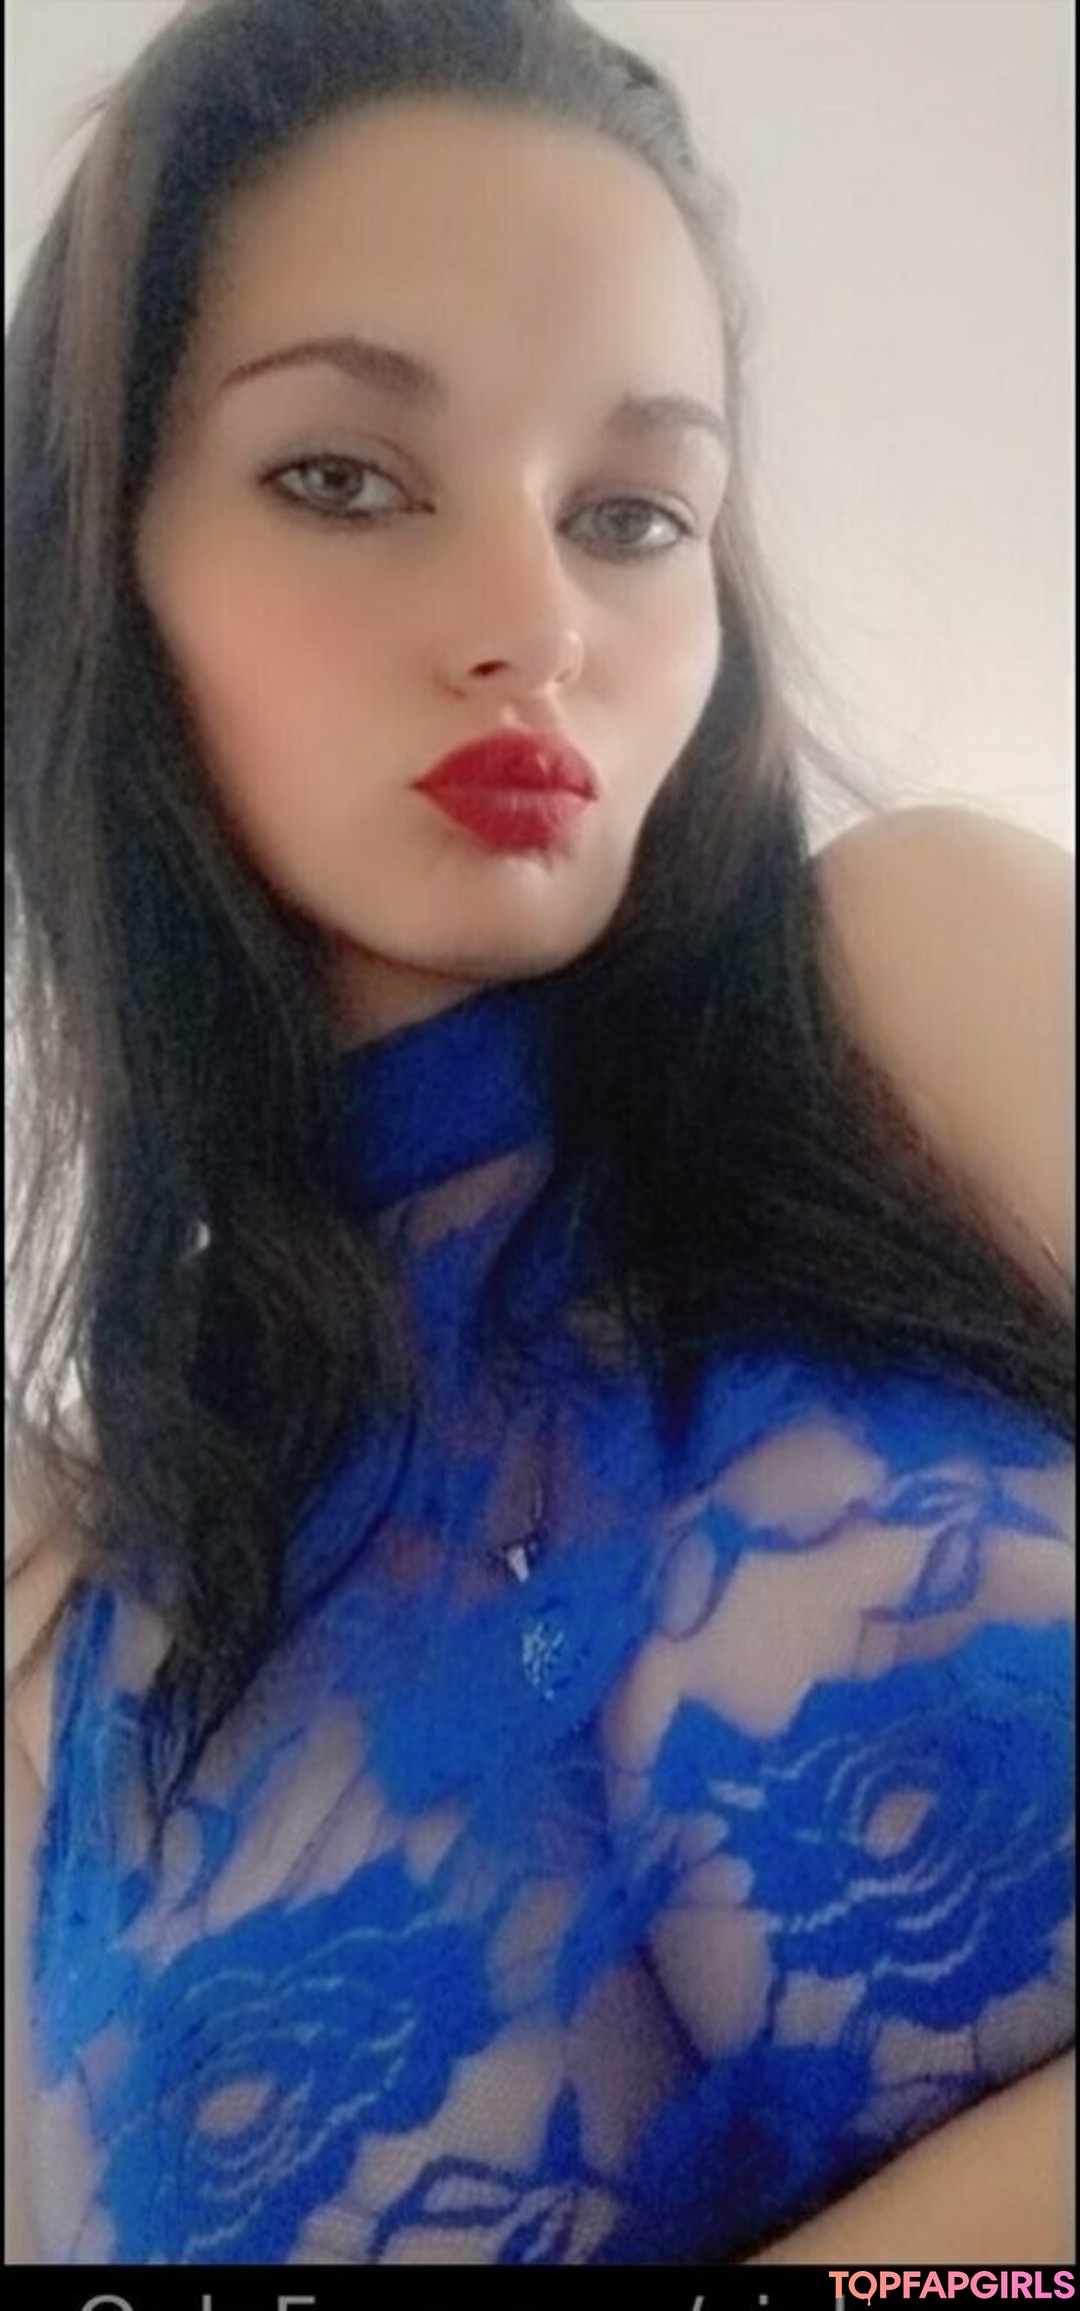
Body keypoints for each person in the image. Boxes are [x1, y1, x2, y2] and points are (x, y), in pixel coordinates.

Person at [4, 0, 1074, 2271]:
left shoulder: (926, 982)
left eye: (633, 515)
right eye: (344, 477)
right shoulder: (67, 1641)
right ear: (104, 562)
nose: (536, 625)